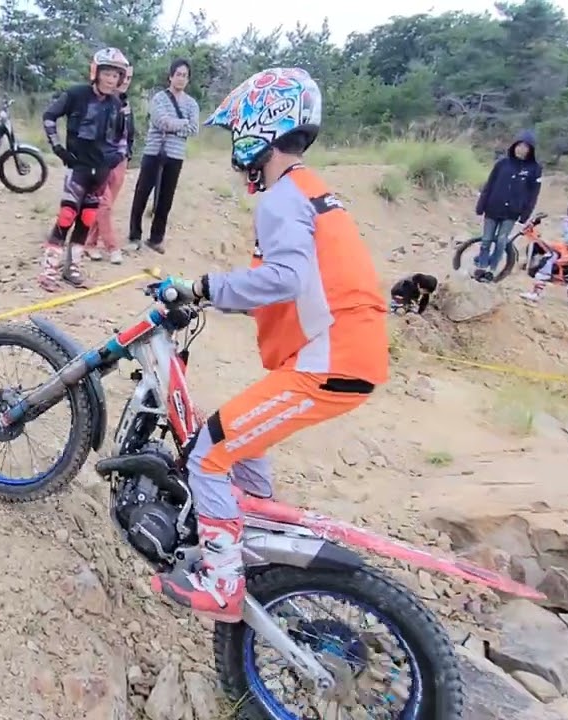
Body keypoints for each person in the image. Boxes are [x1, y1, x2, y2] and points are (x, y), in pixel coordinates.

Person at [144, 68, 389, 622]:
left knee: (207, 453)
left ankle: (223, 580)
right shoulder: (311, 192)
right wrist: (212, 296)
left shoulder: (279, 198)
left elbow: (285, 279)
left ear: (261, 131)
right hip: (338, 357)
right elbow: (286, 291)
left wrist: (204, 286)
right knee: (243, 443)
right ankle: (260, 541)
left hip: (327, 363)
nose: (237, 150)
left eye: (238, 136)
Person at [38, 48, 130, 292]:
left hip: (100, 170)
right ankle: (49, 269)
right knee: (67, 215)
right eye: (107, 74)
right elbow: (49, 117)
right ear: (96, 72)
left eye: (116, 75)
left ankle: (73, 268)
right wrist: (57, 148)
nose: (111, 79)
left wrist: (119, 155)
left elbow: (123, 135)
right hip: (77, 166)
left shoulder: (116, 104)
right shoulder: (76, 94)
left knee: (87, 219)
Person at [128, 59, 200, 254]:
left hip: (176, 155)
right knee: (142, 193)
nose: (181, 79)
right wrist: (182, 124)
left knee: (165, 198)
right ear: (170, 76)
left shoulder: (192, 103)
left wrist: (174, 124)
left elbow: (194, 129)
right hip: (154, 151)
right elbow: (160, 122)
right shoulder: (159, 98)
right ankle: (134, 235)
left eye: (185, 75)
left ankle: (156, 238)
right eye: (178, 74)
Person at [85, 63, 136, 265]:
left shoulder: (125, 103)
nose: (125, 82)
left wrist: (126, 155)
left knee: (105, 205)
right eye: (123, 77)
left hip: (121, 159)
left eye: (129, 79)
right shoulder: (100, 101)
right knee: (103, 204)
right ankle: (112, 247)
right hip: (101, 160)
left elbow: (129, 132)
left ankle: (90, 243)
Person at [473, 131, 542, 282]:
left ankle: (492, 270)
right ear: (514, 146)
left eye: (525, 147)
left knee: (501, 241)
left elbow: (533, 194)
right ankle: (481, 267)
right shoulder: (502, 164)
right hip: (492, 207)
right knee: (486, 240)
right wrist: (481, 205)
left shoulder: (535, 169)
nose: (521, 149)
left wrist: (525, 214)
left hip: (512, 212)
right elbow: (489, 185)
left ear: (531, 150)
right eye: (519, 145)